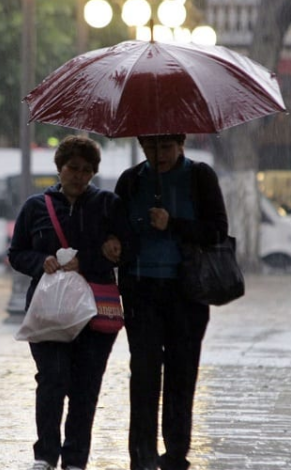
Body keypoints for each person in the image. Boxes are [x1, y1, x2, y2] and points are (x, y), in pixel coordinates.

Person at [8, 135, 134, 470]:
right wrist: (42, 262)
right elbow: (17, 253)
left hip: (95, 312)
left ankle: (75, 458)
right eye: (72, 168)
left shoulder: (108, 205)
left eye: (86, 170)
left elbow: (124, 252)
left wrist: (92, 259)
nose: (79, 176)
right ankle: (46, 455)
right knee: (52, 378)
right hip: (49, 311)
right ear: (59, 169)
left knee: (86, 385)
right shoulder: (36, 207)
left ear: (94, 173)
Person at [113, 134, 228, 470]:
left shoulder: (200, 176)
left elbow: (217, 230)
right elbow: (116, 225)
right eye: (150, 147)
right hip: (141, 291)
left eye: (164, 147)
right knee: (144, 374)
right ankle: (142, 455)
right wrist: (115, 241)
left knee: (182, 373)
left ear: (180, 144)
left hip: (187, 292)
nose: (157, 154)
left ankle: (176, 453)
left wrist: (173, 224)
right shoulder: (131, 180)